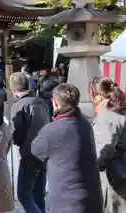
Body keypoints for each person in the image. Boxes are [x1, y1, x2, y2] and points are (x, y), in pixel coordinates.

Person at [31, 83, 102, 213]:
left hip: (65, 203)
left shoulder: (52, 130)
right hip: (93, 199)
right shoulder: (85, 124)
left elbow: (35, 150)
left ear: (55, 103)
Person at [10, 72, 50, 213]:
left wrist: (16, 140)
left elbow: (17, 134)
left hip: (30, 155)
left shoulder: (18, 106)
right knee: (38, 194)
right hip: (45, 154)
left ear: (14, 90)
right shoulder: (41, 102)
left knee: (24, 195)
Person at [89, 77, 126, 213]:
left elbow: (106, 146)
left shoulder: (107, 114)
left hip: (114, 177)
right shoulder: (120, 109)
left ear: (98, 96)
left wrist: (96, 165)